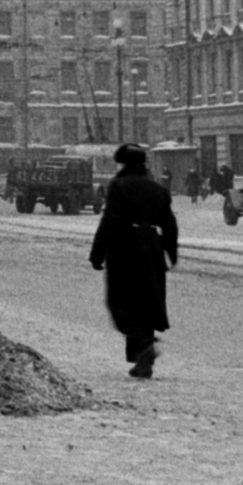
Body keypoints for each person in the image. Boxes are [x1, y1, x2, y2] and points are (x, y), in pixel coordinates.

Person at [89, 143, 179, 380]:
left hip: (124, 246)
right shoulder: (158, 189)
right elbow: (169, 224)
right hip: (152, 246)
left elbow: (110, 220)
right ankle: (143, 362)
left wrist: (97, 254)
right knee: (147, 301)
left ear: (123, 164)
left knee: (120, 302)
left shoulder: (119, 186)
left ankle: (143, 346)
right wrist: (171, 252)